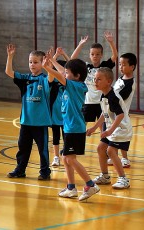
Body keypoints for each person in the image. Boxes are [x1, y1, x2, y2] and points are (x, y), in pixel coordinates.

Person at [43, 56, 100, 201]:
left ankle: (90, 184)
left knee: (70, 159)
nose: (65, 74)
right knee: (65, 158)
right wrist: (54, 62)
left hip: (75, 128)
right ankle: (71, 188)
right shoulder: (75, 83)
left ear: (77, 75)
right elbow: (63, 73)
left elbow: (60, 76)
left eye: (68, 73)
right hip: (71, 128)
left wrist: (47, 68)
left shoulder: (75, 86)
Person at [5, 44, 52, 180]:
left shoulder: (44, 79)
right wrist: (10, 56)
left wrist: (48, 66)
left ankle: (45, 172)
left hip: (40, 123)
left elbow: (51, 78)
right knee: (23, 148)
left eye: (36, 62)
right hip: (26, 122)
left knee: (42, 150)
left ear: (42, 63)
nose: (32, 64)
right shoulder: (25, 79)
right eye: (30, 62)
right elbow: (9, 72)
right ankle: (20, 170)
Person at [87, 67, 131, 189]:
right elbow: (104, 113)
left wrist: (109, 131)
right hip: (112, 128)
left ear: (109, 81)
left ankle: (123, 179)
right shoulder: (103, 95)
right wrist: (95, 127)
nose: (96, 82)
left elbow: (120, 115)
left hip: (121, 129)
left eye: (99, 79)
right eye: (95, 79)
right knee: (101, 148)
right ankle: (105, 176)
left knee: (110, 151)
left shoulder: (113, 97)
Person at [71, 31, 118, 122]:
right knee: (82, 125)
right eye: (92, 54)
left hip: (102, 102)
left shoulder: (104, 66)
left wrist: (111, 42)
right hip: (88, 102)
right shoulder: (85, 67)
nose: (95, 56)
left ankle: (104, 136)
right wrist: (80, 44)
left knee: (103, 126)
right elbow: (72, 60)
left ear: (101, 55)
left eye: (97, 54)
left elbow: (115, 55)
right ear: (89, 55)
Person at [107, 53, 137, 168]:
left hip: (122, 114)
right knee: (114, 136)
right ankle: (114, 156)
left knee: (122, 137)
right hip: (113, 113)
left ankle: (125, 159)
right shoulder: (120, 79)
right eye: (119, 64)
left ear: (132, 67)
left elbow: (120, 97)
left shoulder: (130, 83)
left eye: (124, 65)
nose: (120, 67)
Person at [50, 47, 68, 167]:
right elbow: (49, 69)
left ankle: (66, 154)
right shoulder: (52, 82)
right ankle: (56, 157)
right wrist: (53, 58)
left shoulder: (69, 83)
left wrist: (64, 54)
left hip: (66, 114)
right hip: (55, 114)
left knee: (66, 136)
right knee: (56, 137)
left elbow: (72, 64)